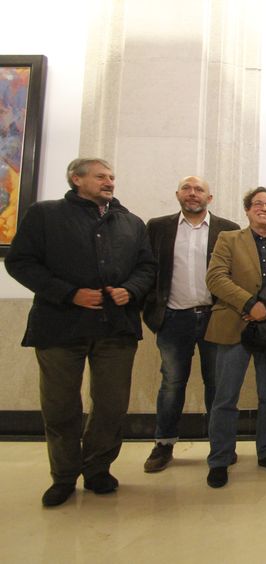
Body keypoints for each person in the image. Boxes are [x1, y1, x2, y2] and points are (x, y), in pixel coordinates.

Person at [5, 158, 156, 507]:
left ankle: (98, 469)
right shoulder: (45, 215)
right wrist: (68, 293)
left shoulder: (130, 223)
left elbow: (147, 266)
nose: (110, 181)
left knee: (111, 406)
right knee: (60, 406)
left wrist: (131, 290)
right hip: (60, 327)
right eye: (101, 176)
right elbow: (20, 262)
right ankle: (63, 476)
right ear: (76, 179)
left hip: (115, 328)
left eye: (112, 176)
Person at [203, 187, 266, 488]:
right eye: (258, 204)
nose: (264, 208)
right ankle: (220, 459)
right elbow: (216, 278)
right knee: (225, 398)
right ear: (247, 210)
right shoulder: (228, 240)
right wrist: (250, 304)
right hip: (234, 326)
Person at [142, 175, 239, 473]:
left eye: (199, 190)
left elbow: (235, 275)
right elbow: (145, 269)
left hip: (214, 317)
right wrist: (151, 310)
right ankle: (164, 443)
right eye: (187, 188)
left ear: (210, 198)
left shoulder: (228, 229)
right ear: (177, 194)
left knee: (217, 384)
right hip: (173, 318)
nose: (192, 193)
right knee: (172, 383)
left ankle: (219, 445)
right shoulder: (157, 227)